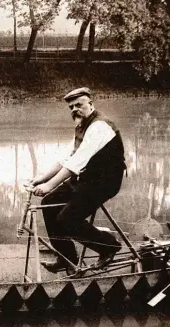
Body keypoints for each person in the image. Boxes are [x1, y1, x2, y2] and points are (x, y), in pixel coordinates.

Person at [28, 87, 126, 272]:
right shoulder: (82, 126)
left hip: (104, 182)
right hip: (85, 179)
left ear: (91, 104)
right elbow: (67, 158)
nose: (75, 110)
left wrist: (49, 184)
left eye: (79, 105)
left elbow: (77, 162)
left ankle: (108, 246)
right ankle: (67, 258)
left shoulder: (99, 126)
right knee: (49, 203)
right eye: (71, 107)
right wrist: (41, 179)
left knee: (68, 219)